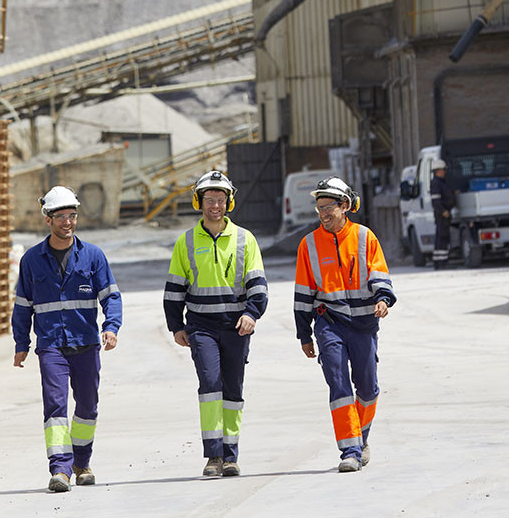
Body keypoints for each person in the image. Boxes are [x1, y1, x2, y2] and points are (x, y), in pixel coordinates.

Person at [12, 185, 122, 493]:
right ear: (47, 219)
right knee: (56, 405)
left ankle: (81, 463)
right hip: (50, 345)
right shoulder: (32, 260)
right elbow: (23, 306)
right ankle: (60, 468)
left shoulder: (93, 256)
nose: (67, 222)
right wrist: (21, 344)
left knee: (87, 405)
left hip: (85, 342)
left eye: (72, 216)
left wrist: (111, 327)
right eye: (61, 216)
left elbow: (111, 296)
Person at [163, 169, 268, 477]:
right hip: (201, 327)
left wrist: (252, 313)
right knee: (210, 385)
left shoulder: (244, 240)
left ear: (228, 203)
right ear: (199, 202)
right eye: (209, 199)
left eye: (220, 200)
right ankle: (214, 456)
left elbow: (258, 285)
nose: (215, 206)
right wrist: (176, 325)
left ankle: (231, 455)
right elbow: (174, 288)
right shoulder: (185, 242)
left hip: (236, 326)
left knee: (233, 388)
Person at [294, 176, 396, 472]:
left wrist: (383, 299)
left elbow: (379, 273)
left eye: (329, 207)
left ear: (345, 206)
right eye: (319, 207)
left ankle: (360, 437)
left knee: (368, 388)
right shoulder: (309, 245)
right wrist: (304, 334)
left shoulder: (365, 238)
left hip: (364, 323)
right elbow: (303, 293)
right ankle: (349, 450)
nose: (324, 213)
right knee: (338, 382)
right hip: (329, 321)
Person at [430, 158, 455, 270]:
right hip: (441, 215)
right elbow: (436, 201)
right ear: (438, 171)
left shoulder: (440, 182)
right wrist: (443, 211)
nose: (444, 172)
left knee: (442, 237)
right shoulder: (436, 183)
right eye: (443, 170)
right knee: (442, 238)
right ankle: (441, 262)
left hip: (444, 214)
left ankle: (440, 261)